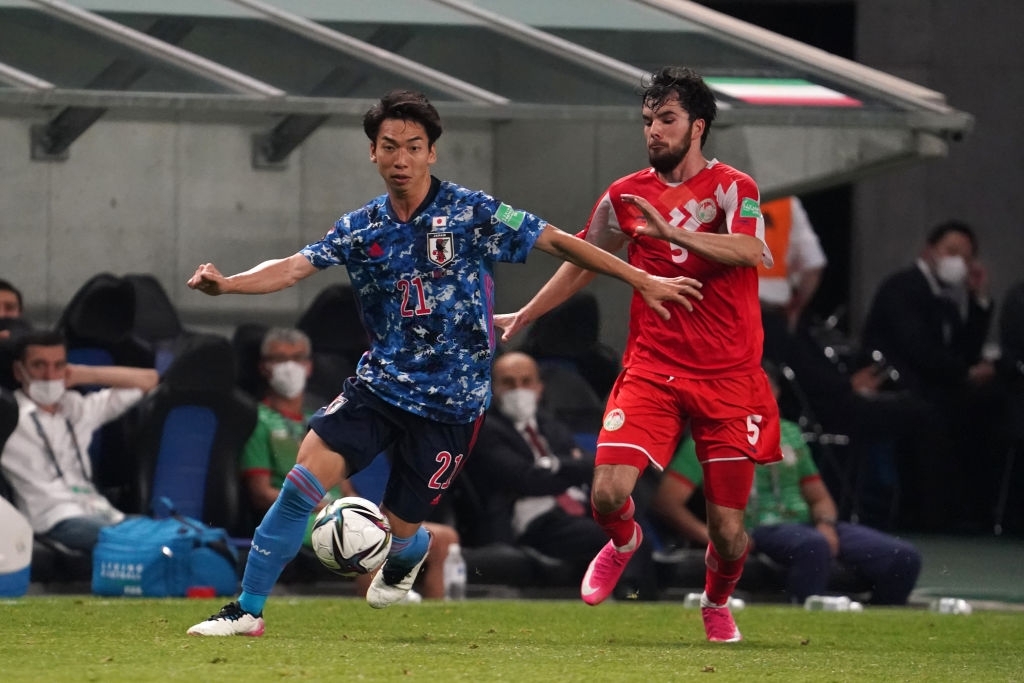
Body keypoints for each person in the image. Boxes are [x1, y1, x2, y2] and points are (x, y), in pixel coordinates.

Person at [185, 88, 702, 637]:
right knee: (300, 486)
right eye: (389, 147)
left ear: (432, 152)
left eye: (413, 147)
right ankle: (246, 608)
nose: (400, 159)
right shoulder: (362, 228)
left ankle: (412, 549)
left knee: (404, 527)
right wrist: (229, 285)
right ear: (373, 153)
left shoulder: (473, 211)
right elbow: (291, 267)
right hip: (379, 386)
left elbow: (561, 242)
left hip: (453, 404)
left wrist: (641, 279)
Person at [495, 66, 781, 643]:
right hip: (653, 367)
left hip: (729, 377)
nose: (654, 131)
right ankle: (625, 539)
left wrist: (674, 236)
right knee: (607, 494)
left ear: (697, 126)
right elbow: (583, 259)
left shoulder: (734, 187)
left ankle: (717, 599)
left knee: (727, 533)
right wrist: (528, 314)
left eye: (667, 119)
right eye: (648, 120)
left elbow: (752, 250)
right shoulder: (624, 195)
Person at [652, 364, 922, 605]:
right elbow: (667, 501)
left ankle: (877, 626)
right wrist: (712, 536)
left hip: (807, 526)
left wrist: (826, 524)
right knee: (812, 546)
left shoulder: (790, 433)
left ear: (777, 394)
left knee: (902, 557)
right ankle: (806, 623)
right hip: (758, 527)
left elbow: (819, 498)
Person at [240, 326, 455, 600]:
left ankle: (437, 613)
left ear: (308, 366)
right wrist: (328, 507)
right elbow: (260, 492)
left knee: (443, 537)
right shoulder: (259, 421)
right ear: (263, 367)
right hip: (302, 515)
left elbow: (346, 486)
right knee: (355, 530)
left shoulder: (323, 417)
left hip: (339, 507)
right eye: (279, 359)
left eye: (297, 358)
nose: (289, 367)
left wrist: (364, 510)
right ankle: (380, 612)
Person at [861, 220, 999, 531]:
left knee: (989, 404)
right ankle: (930, 517)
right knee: (933, 414)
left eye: (966, 257)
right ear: (929, 251)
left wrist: (979, 300)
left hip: (936, 386)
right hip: (900, 384)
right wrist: (965, 372)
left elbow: (966, 350)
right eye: (951, 252)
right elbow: (918, 348)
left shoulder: (948, 300)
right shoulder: (903, 287)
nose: (958, 262)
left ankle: (973, 510)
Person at [0, 329, 159, 556]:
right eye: (39, 365)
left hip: (100, 510)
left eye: (58, 365)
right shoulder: (7, 415)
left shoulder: (78, 408)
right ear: (19, 371)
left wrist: (84, 374)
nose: (49, 375)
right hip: (53, 518)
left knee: (173, 532)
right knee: (137, 542)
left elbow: (149, 381)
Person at [466, 351, 618, 581]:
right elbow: (526, 479)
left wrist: (553, 465)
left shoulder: (550, 424)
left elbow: (592, 464)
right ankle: (629, 596)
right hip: (533, 522)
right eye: (508, 383)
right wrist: (570, 467)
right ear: (492, 388)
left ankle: (639, 598)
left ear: (539, 386)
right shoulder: (485, 429)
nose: (519, 390)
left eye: (526, 381)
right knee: (604, 536)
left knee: (628, 526)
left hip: (578, 510)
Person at [756, 196, 827, 364]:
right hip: (771, 317)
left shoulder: (712, 190)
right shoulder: (786, 202)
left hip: (725, 314)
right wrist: (796, 308)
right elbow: (813, 266)